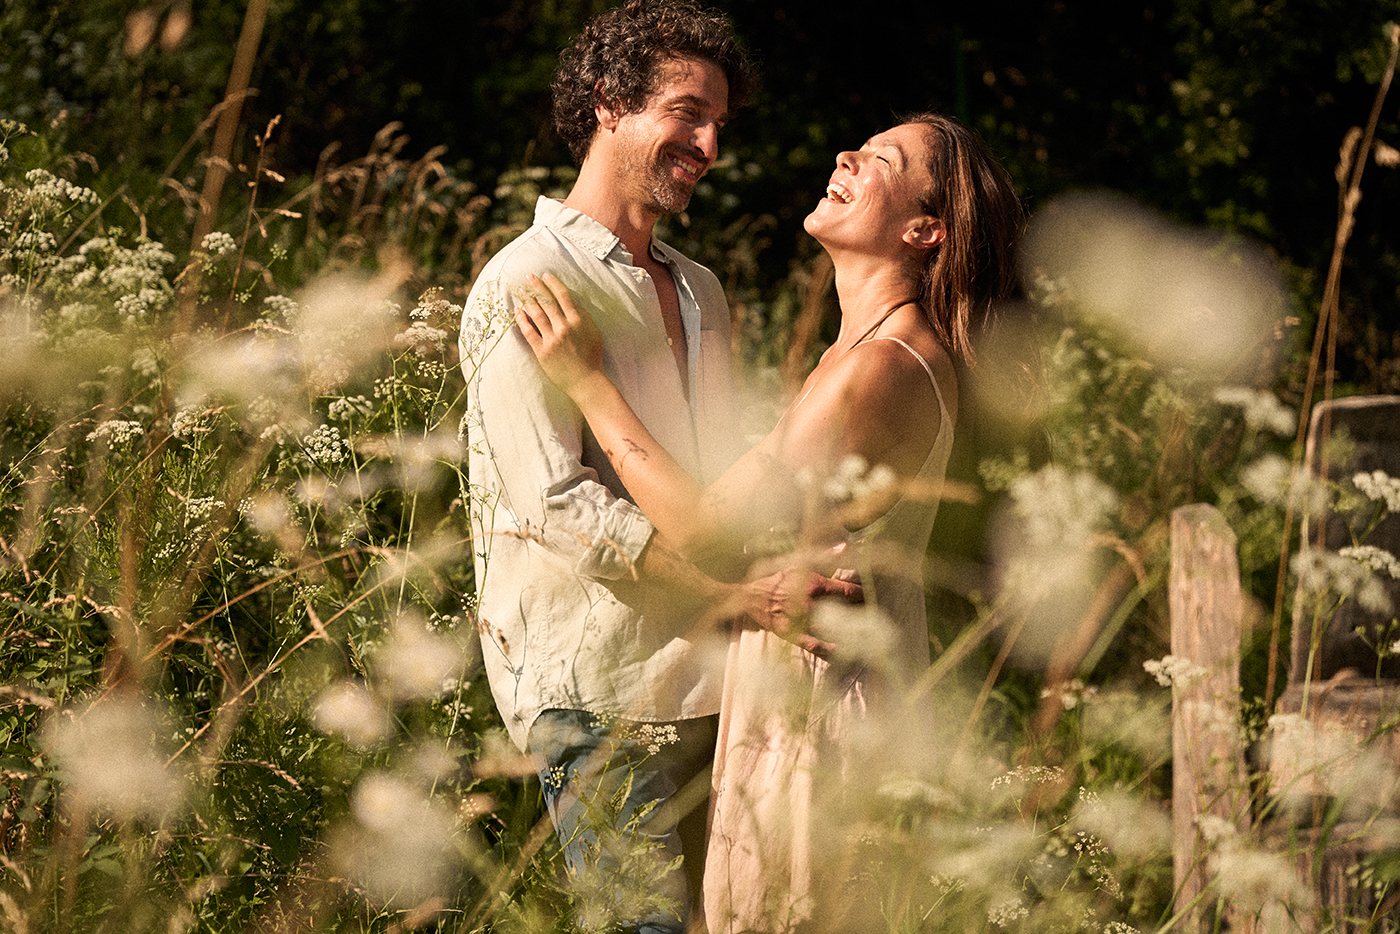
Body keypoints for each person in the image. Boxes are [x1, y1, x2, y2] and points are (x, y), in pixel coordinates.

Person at [515, 112, 1022, 933]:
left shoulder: (880, 369)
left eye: (882, 159)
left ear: (924, 230)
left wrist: (587, 384)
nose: (846, 154)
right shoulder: (854, 356)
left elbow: (704, 530)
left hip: (823, 704)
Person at [460, 3, 855, 932]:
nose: (708, 145)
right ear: (608, 102)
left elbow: (714, 490)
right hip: (598, 693)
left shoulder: (700, 288)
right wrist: (735, 595)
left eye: (718, 123)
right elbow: (559, 507)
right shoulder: (525, 279)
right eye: (686, 113)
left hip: (719, 684)